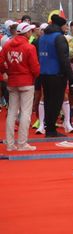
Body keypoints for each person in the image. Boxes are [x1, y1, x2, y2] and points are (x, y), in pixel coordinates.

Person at [1, 23, 40, 151]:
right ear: (27, 33)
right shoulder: (29, 47)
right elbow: (35, 67)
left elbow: (1, 62)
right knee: (25, 113)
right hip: (27, 81)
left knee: (12, 112)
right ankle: (22, 143)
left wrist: (5, 71)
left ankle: (10, 144)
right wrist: (35, 75)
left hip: (12, 81)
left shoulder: (7, 45)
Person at [38, 14, 73, 138]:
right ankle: (51, 130)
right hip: (57, 74)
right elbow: (64, 58)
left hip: (44, 73)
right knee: (56, 102)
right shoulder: (59, 38)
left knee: (48, 101)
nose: (66, 27)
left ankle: (49, 127)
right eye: (65, 25)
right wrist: (71, 77)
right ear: (60, 25)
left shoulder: (42, 37)